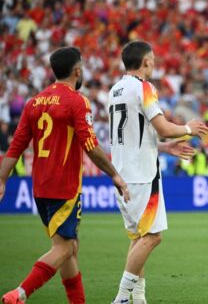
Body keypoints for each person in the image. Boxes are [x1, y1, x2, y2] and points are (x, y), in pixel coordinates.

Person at [0, 47, 129, 304]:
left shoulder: (34, 102)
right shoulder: (77, 101)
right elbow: (90, 145)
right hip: (65, 187)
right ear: (77, 71)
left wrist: (2, 179)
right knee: (65, 247)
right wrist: (114, 174)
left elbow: (16, 146)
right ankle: (20, 293)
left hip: (40, 188)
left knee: (70, 248)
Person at [108, 41, 207, 304]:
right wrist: (188, 128)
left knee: (140, 237)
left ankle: (138, 297)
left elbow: (133, 136)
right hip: (142, 175)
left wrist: (164, 148)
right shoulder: (144, 87)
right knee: (153, 237)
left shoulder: (115, 90)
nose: (154, 64)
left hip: (122, 173)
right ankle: (120, 298)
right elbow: (162, 126)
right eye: (152, 59)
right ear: (145, 62)